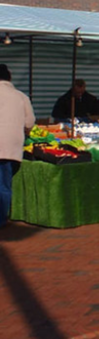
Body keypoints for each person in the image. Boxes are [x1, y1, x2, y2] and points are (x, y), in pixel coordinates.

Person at [0, 65, 34, 228]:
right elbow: (29, 123)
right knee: (4, 184)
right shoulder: (21, 97)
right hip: (11, 147)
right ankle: (1, 219)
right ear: (9, 78)